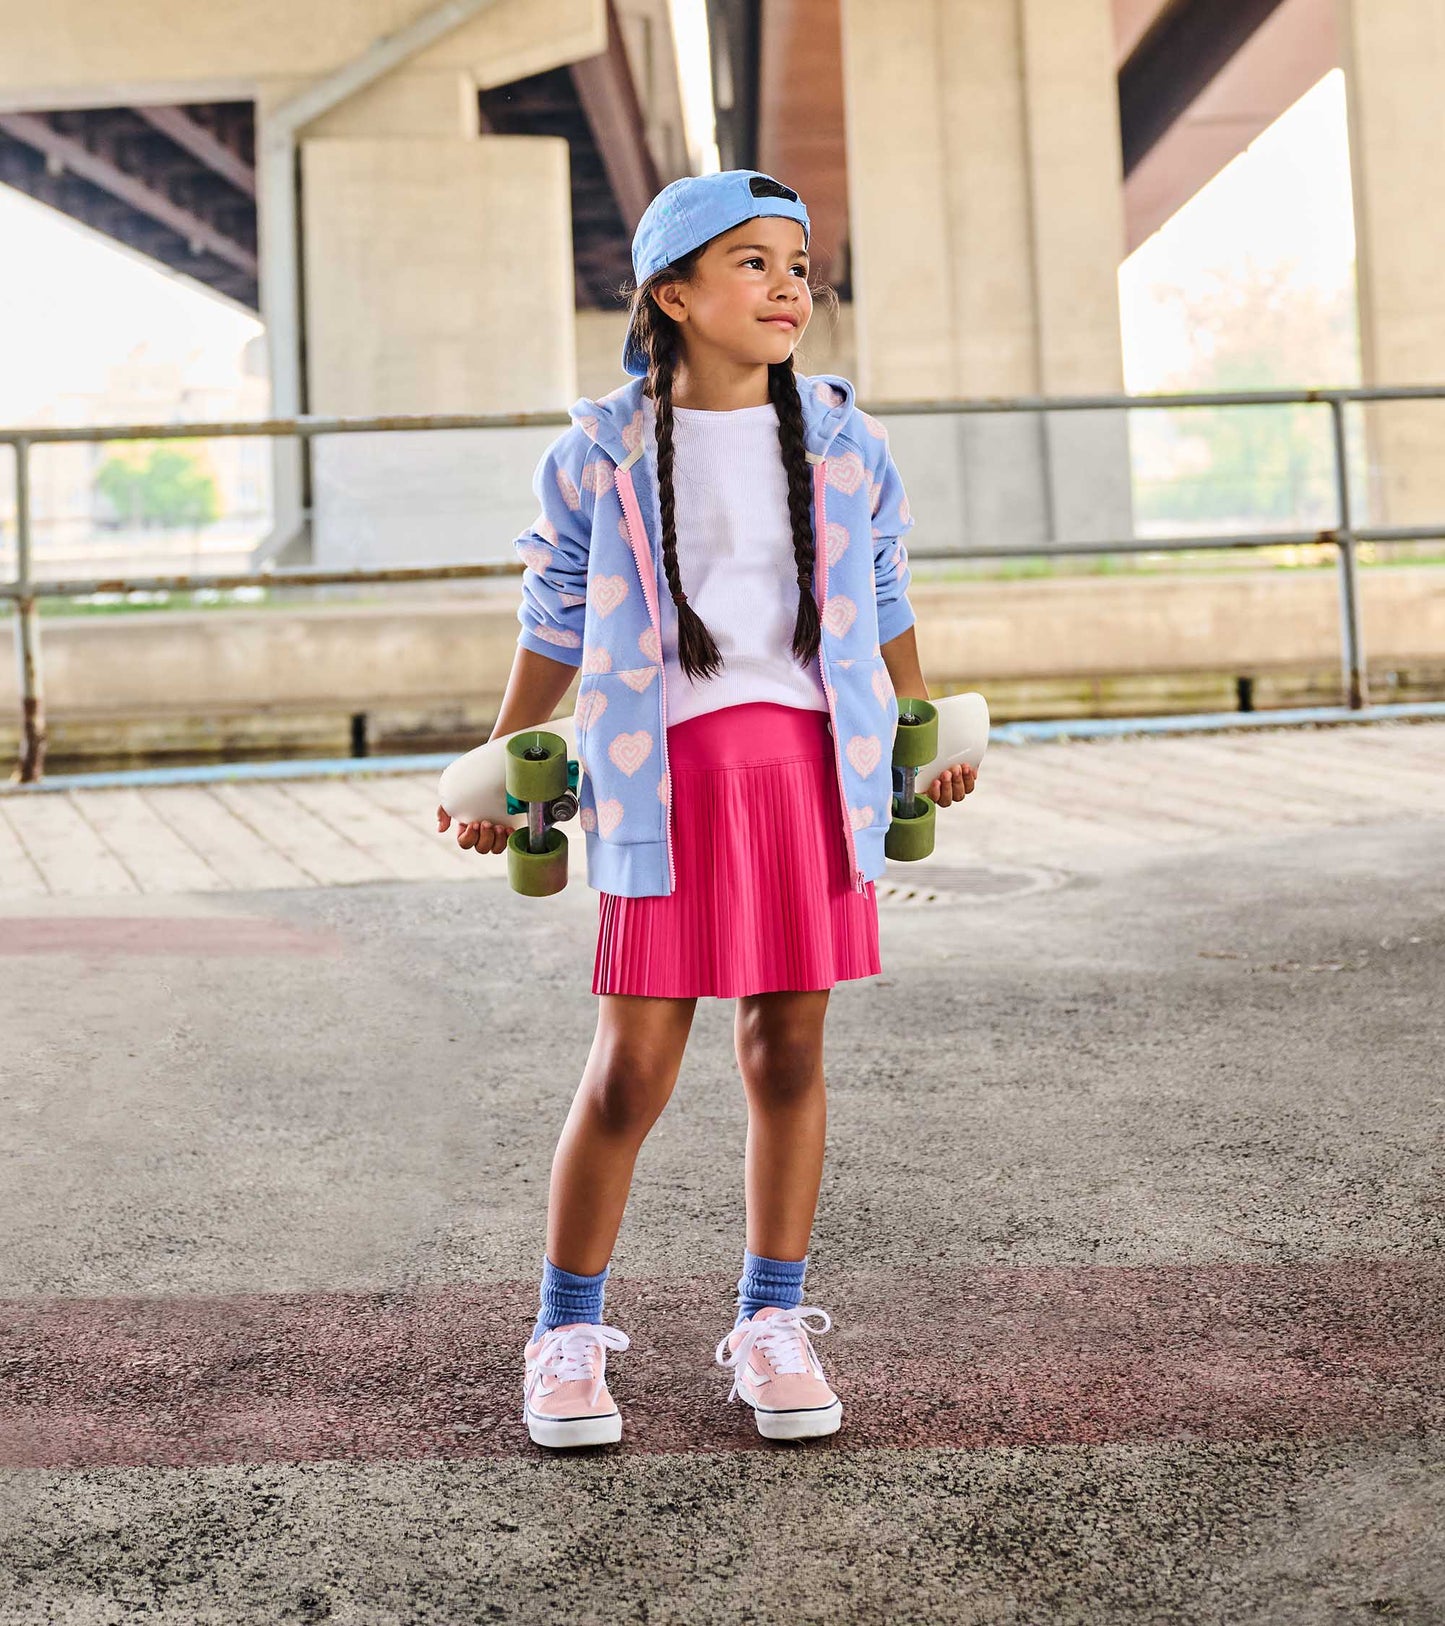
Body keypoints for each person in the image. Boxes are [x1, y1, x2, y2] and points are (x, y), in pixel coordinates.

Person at [436, 169, 977, 1450]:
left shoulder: (844, 441)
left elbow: (883, 595)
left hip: (811, 775)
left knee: (786, 1054)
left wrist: (921, 738)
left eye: (797, 266)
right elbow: (552, 616)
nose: (788, 287)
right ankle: (565, 1335)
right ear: (670, 295)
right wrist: (503, 761)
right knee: (631, 1069)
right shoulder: (598, 452)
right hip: (659, 784)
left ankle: (771, 1322)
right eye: (752, 263)